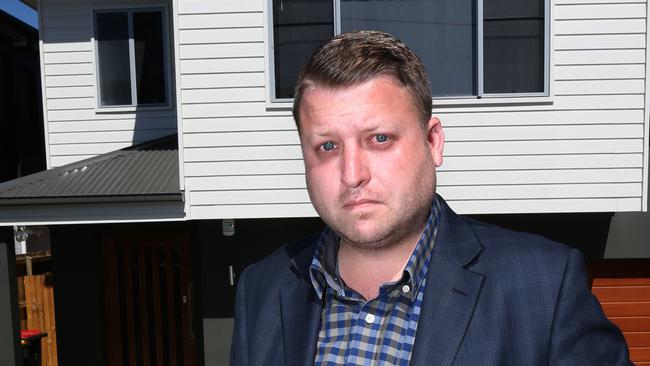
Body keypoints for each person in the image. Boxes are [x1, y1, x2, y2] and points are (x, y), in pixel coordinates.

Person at [230, 31, 631, 365]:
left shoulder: (543, 285)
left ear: (432, 142)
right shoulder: (261, 289)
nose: (352, 174)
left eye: (380, 139)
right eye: (327, 147)